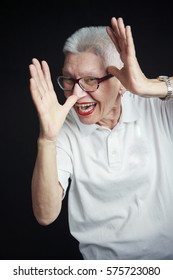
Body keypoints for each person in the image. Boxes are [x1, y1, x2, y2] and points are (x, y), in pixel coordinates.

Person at [29, 17, 173, 260]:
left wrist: (148, 86)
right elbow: (45, 215)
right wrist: (47, 139)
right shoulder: (65, 126)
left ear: (121, 82)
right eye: (69, 80)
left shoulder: (158, 109)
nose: (76, 94)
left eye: (90, 80)